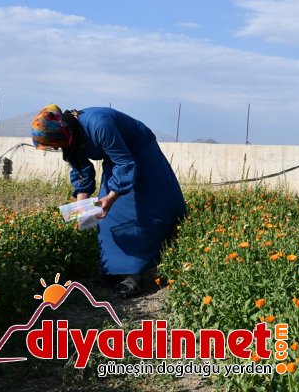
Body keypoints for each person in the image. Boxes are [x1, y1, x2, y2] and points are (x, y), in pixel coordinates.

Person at [31, 104, 186, 297]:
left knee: (136, 212)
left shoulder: (99, 125)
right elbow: (81, 170)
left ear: (64, 133)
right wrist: (81, 209)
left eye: (55, 144)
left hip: (139, 154)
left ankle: (135, 276)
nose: (57, 148)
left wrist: (111, 198)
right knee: (107, 217)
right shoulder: (69, 136)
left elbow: (125, 163)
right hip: (117, 160)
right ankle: (112, 271)